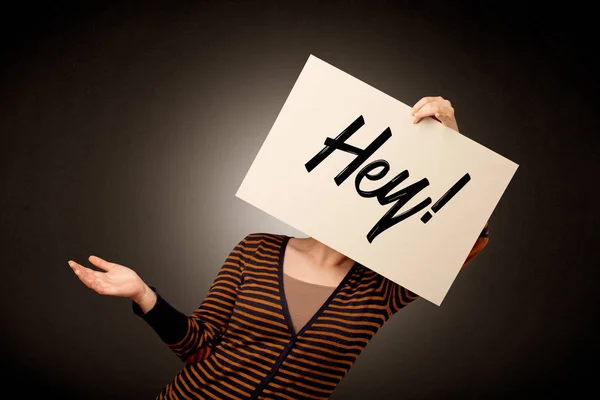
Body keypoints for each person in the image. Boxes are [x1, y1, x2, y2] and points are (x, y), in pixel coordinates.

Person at [69, 96, 490, 400]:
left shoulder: (384, 287)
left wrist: (448, 150)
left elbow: (462, 241)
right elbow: (196, 344)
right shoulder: (256, 250)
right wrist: (144, 295)